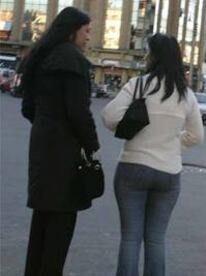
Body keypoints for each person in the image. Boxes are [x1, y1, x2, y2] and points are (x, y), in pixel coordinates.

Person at [101, 33, 204, 276]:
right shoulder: (185, 94)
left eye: (148, 52)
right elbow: (197, 136)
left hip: (133, 167)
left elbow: (109, 116)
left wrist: (132, 129)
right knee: (156, 239)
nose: (146, 56)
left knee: (130, 238)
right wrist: (172, 145)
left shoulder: (138, 85)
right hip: (168, 173)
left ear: (154, 56)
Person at [20, 7, 100, 276]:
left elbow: (27, 107)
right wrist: (92, 145)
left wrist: (47, 126)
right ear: (72, 31)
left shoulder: (40, 56)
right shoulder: (72, 60)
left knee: (41, 221)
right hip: (65, 155)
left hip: (42, 147)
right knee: (61, 226)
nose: (89, 36)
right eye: (86, 31)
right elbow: (79, 111)